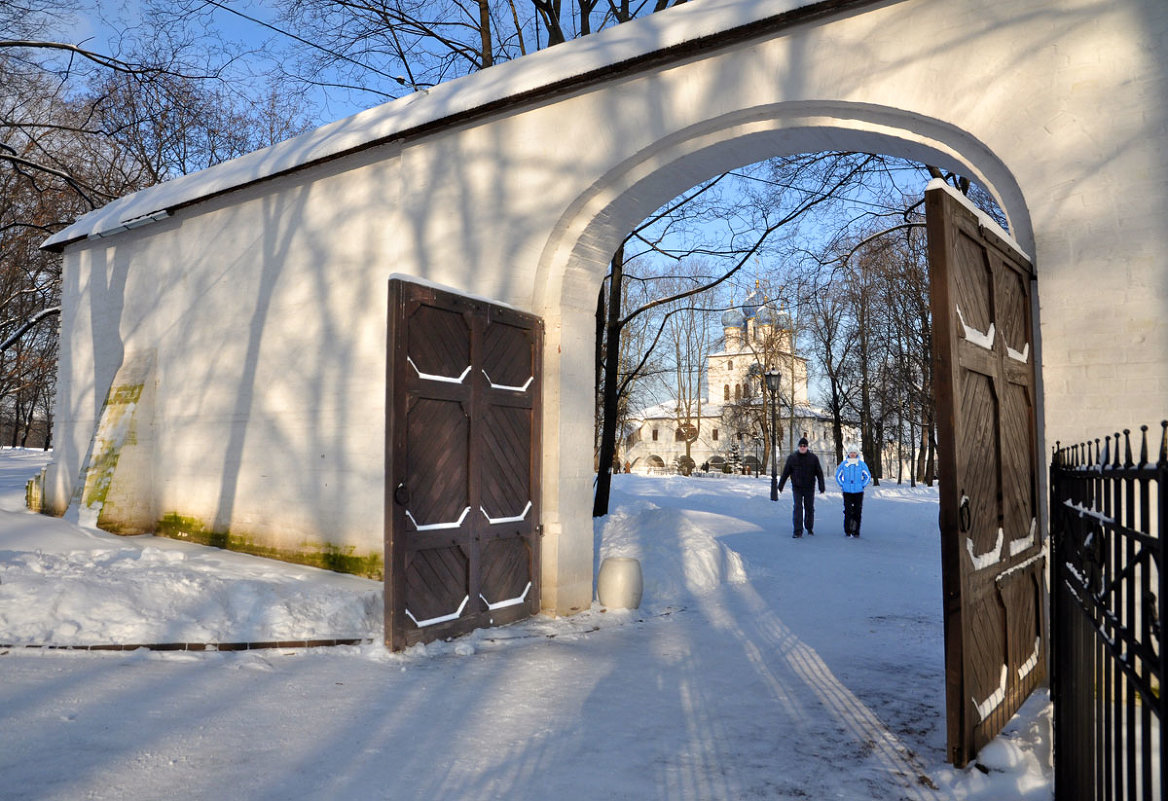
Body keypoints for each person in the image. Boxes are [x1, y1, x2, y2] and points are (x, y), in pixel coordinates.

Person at [777, 436, 825, 538]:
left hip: (809, 487)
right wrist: (781, 485)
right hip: (797, 487)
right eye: (801, 446)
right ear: (798, 447)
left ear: (807, 447)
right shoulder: (792, 458)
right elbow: (786, 472)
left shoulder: (813, 458)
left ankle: (809, 526)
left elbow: (819, 473)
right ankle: (798, 531)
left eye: (804, 446)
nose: (803, 447)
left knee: (809, 508)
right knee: (797, 508)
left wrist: (821, 486)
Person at [835, 446, 873, 538]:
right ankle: (848, 530)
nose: (852, 454)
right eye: (851, 452)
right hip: (847, 491)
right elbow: (838, 476)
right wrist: (843, 485)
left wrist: (862, 485)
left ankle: (856, 530)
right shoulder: (844, 464)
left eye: (854, 452)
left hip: (858, 492)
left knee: (857, 511)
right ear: (848, 454)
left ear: (857, 454)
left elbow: (867, 476)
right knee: (847, 511)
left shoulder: (861, 464)